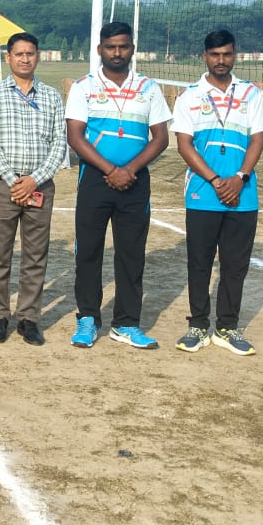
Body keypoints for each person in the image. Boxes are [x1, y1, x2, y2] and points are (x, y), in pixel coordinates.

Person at [65, 21, 171, 349]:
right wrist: (111, 169)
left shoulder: (148, 88)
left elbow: (161, 138)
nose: (117, 52)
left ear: (132, 49)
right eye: (110, 47)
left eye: (123, 46)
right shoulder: (83, 87)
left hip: (135, 182)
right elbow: (75, 137)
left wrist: (130, 170)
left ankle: (126, 323)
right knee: (88, 251)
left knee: (131, 254)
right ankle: (87, 318)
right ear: (100, 49)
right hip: (95, 180)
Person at [171, 29, 263, 356]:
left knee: (235, 265)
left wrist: (240, 177)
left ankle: (227, 327)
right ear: (205, 56)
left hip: (243, 193)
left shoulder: (250, 94)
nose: (221, 60)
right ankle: (198, 326)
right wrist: (216, 181)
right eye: (215, 54)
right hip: (203, 192)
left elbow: (257, 140)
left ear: (234, 55)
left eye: (227, 54)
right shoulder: (189, 96)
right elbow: (184, 145)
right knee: (200, 263)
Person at [0, 33, 66, 347]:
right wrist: (13, 179)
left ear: (37, 56)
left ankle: (29, 318)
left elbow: (59, 143)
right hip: (4, 186)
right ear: (8, 58)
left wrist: (34, 180)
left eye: (30, 53)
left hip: (40, 186)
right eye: (19, 54)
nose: (25, 59)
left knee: (35, 255)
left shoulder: (52, 96)